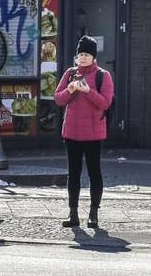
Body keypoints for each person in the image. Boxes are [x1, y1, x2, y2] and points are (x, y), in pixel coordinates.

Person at [52, 34, 114, 230]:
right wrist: (70, 90)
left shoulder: (102, 75)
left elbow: (105, 102)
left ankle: (94, 213)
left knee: (95, 172)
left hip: (94, 133)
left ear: (94, 57)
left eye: (87, 54)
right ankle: (73, 213)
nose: (83, 57)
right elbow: (58, 99)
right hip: (71, 132)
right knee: (73, 173)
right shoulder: (70, 73)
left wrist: (88, 91)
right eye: (81, 54)